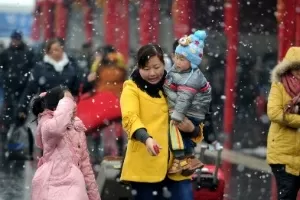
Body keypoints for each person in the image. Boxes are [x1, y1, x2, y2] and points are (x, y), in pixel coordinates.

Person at [120, 44, 204, 200]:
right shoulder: (131, 88)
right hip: (145, 165)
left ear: (164, 64)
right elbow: (130, 118)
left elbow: (194, 116)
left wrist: (192, 128)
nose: (152, 73)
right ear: (138, 67)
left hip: (178, 165)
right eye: (146, 69)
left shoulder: (177, 85)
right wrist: (146, 139)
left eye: (156, 67)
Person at [31, 85, 100, 200]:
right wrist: (66, 103)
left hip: (75, 186)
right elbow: (58, 128)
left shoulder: (77, 127)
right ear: (57, 106)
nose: (73, 104)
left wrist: (95, 197)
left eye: (72, 100)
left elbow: (86, 167)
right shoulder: (46, 124)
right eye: (67, 101)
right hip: (51, 184)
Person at [164, 30, 211, 175]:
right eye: (176, 57)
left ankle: (182, 159)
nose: (177, 61)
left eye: (181, 59)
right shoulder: (181, 71)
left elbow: (184, 99)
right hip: (192, 110)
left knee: (176, 130)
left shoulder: (190, 78)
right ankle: (187, 159)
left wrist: (177, 115)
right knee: (180, 133)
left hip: (191, 111)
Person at [267, 47, 300, 200]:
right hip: (283, 153)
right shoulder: (279, 85)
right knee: (287, 195)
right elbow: (274, 113)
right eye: (295, 68)